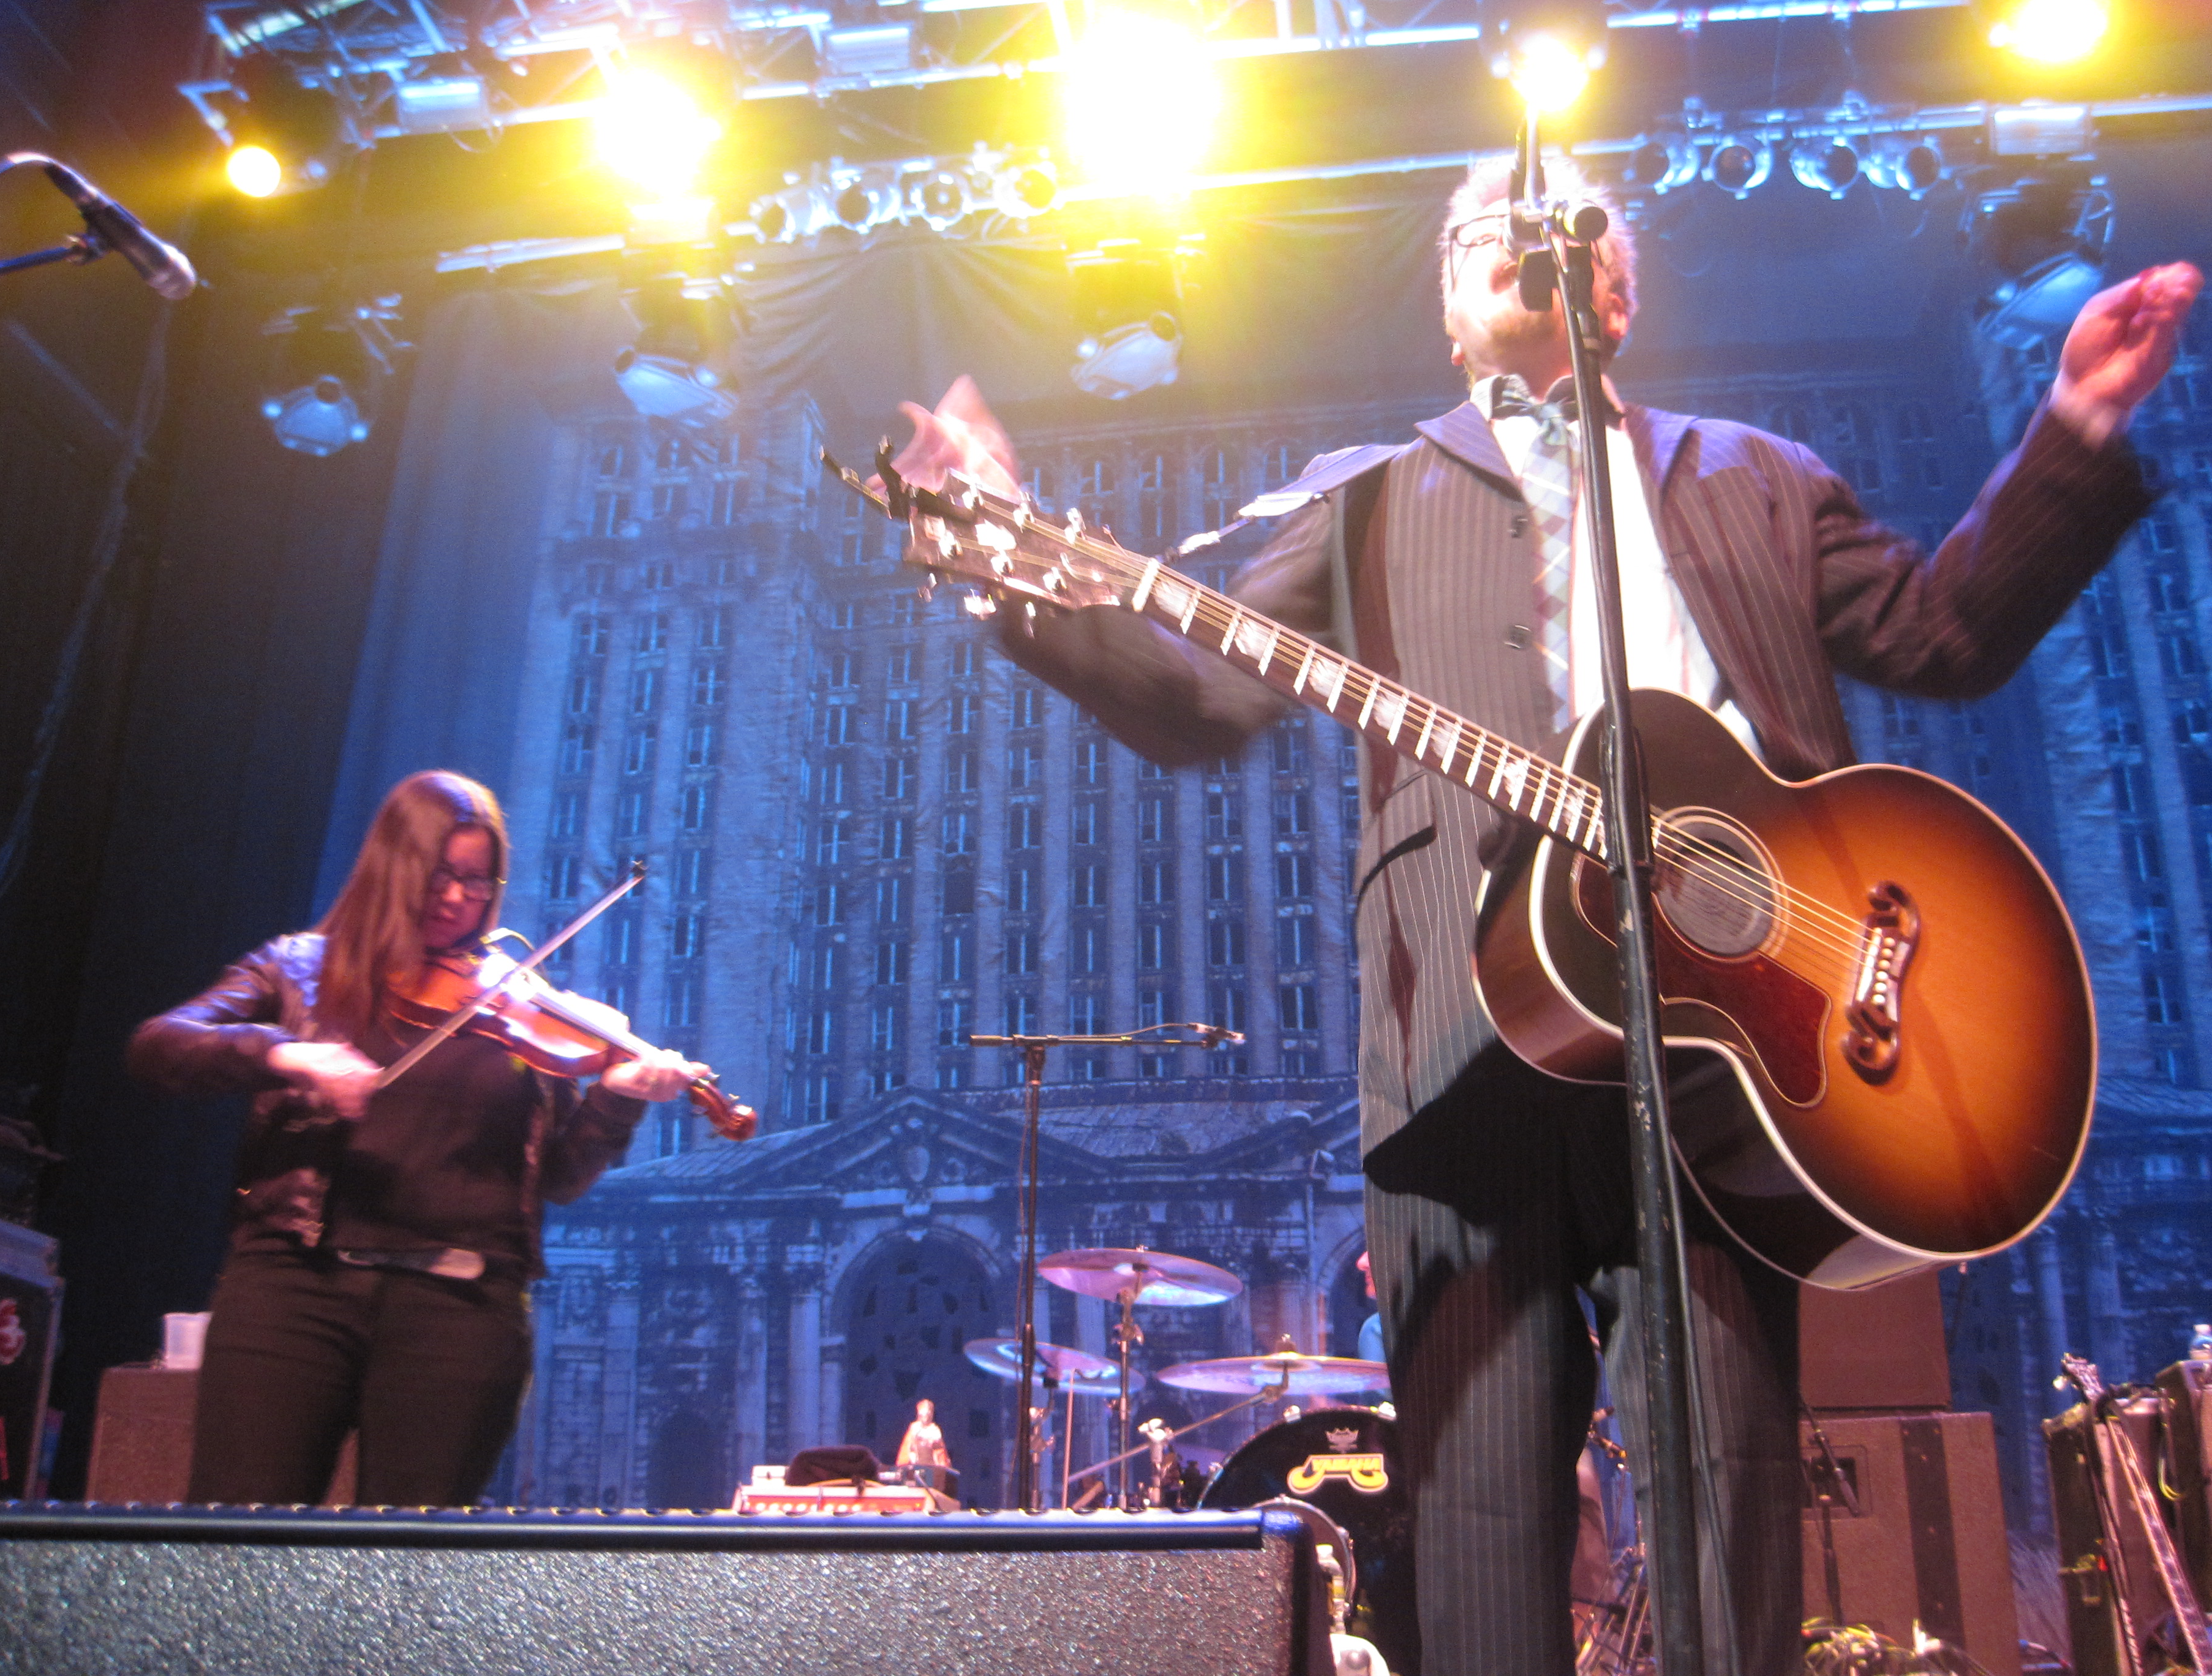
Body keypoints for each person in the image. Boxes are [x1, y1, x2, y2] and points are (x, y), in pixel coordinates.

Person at [890, 157, 2200, 1676]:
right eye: (1480, 234)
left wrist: (2075, 421)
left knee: (1729, 1504)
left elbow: (1945, 632)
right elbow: (1198, 701)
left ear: (1616, 289)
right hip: (1460, 1045)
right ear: (1450, 313)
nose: (1524, 230)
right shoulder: (1362, 493)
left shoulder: (1756, 474)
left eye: (1563, 220)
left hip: (1741, 1050)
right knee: (1482, 1518)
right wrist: (1016, 572)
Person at [127, 769, 710, 1508]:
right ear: (393, 866)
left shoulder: (519, 1000)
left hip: (459, 1312)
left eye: (477, 881)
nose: (459, 898)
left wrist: (615, 1104)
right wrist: (287, 1054)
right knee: (242, 1533)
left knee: (411, 1556)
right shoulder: (301, 968)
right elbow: (161, 1046)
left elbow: (558, 1179)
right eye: (441, 875)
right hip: (295, 1289)